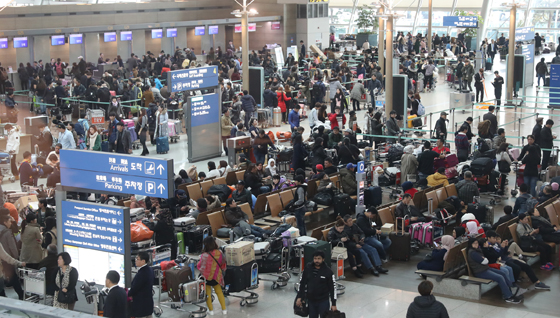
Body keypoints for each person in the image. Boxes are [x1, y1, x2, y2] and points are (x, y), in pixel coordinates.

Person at [485, 231, 550, 290]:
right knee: (517, 268)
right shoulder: (488, 246)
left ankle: (537, 282)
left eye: (495, 238)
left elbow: (504, 253)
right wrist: (502, 248)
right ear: (489, 238)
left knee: (526, 266)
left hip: (507, 258)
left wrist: (505, 247)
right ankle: (513, 284)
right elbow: (497, 255)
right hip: (501, 261)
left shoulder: (496, 244)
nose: (495, 240)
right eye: (494, 238)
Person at [466, 238, 522, 303]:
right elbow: (485, 261)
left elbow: (485, 260)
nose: (476, 244)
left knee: (503, 273)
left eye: (477, 243)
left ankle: (512, 289)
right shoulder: (473, 253)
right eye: (474, 243)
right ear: (471, 244)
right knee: (499, 277)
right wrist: (484, 259)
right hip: (480, 272)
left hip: (485, 268)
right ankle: (508, 296)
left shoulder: (476, 250)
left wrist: (484, 259)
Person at [295, 250, 337, 318]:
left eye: (319, 259)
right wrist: (300, 296)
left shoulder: (328, 272)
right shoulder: (308, 268)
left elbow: (333, 288)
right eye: (315, 258)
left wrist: (334, 303)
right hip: (311, 301)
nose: (316, 260)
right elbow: (302, 283)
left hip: (323, 301)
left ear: (323, 259)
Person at [197, 236, 227, 316]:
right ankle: (224, 310)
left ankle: (211, 311)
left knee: (208, 294)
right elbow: (223, 263)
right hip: (216, 276)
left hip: (206, 278)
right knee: (219, 292)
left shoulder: (204, 255)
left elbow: (200, 266)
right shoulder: (219, 253)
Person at [128, 251, 155, 318]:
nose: (136, 260)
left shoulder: (141, 274)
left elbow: (135, 288)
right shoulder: (150, 269)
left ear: (143, 261)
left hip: (141, 306)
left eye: (137, 259)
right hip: (148, 304)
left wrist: (128, 294)